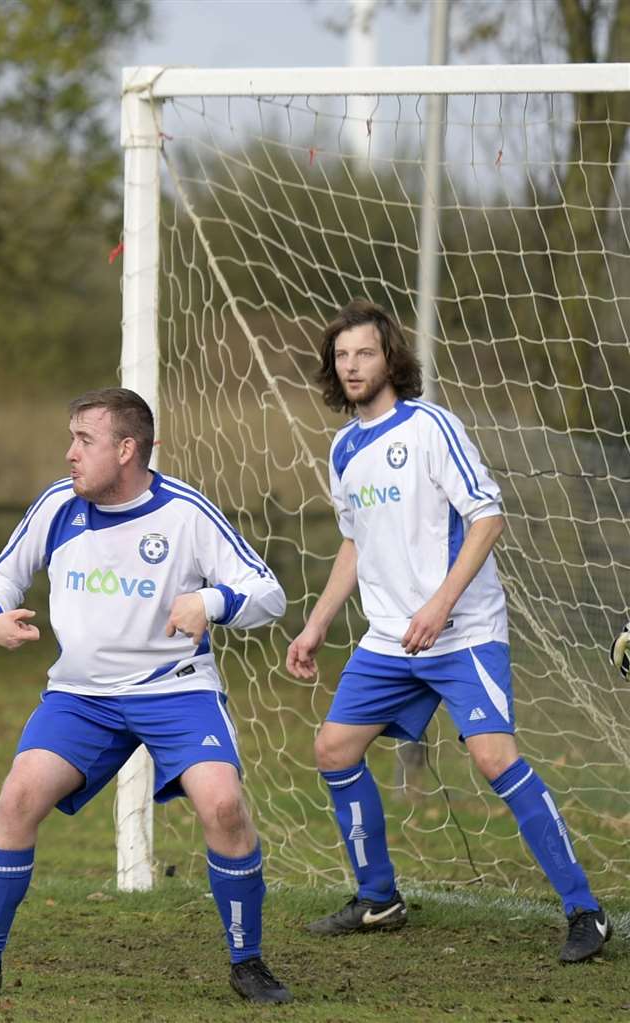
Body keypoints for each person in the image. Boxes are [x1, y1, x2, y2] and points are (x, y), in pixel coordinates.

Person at [0, 388, 292, 1004]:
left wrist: (211, 601)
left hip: (173, 691)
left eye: (84, 440)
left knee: (223, 805)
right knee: (17, 797)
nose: (70, 453)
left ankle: (248, 962)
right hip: (82, 697)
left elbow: (268, 593)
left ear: (127, 450)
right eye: (71, 438)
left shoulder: (186, 513)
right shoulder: (57, 507)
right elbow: (2, 572)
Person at [285, 299, 609, 963]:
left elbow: (487, 516)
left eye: (364, 353)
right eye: (342, 355)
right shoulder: (343, 447)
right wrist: (316, 624)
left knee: (494, 758)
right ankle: (379, 897)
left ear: (390, 358)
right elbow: (354, 542)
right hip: (388, 639)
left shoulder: (432, 427)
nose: (351, 366)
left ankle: (585, 911)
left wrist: (439, 605)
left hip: (461, 630)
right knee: (333, 750)